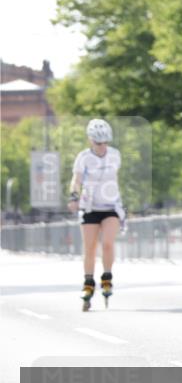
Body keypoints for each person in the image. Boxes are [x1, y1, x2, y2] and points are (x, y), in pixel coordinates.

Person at [67, 119, 125, 310]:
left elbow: (114, 178)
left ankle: (107, 276)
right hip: (90, 207)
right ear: (91, 140)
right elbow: (76, 179)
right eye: (98, 143)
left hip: (111, 206)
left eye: (105, 142)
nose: (102, 146)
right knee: (90, 248)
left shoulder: (115, 155)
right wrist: (74, 196)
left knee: (107, 243)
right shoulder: (83, 157)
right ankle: (88, 283)